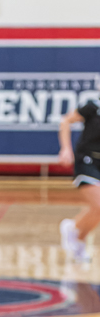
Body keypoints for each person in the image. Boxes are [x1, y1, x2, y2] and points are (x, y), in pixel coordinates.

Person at [59, 97, 100, 263]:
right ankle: (74, 232)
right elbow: (66, 121)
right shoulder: (93, 106)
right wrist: (66, 149)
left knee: (98, 210)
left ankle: (77, 236)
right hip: (87, 160)